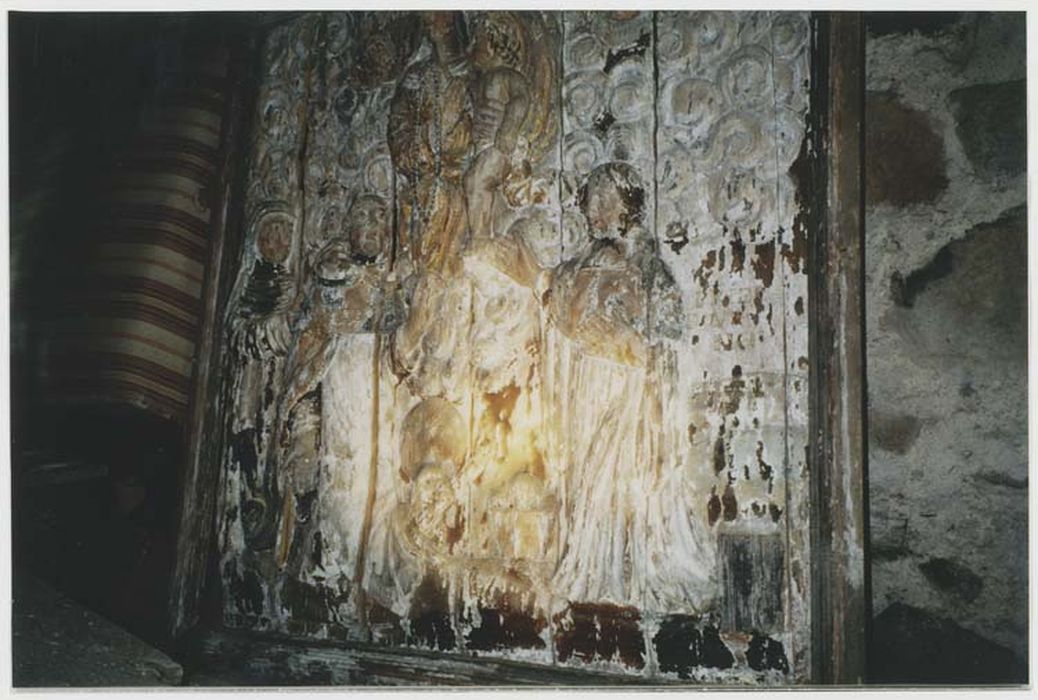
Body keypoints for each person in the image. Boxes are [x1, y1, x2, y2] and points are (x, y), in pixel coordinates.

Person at [547, 162, 714, 614]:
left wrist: (627, 346)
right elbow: (558, 317)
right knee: (588, 480)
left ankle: (628, 570)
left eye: (608, 198)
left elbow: (666, 345)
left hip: (631, 393)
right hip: (587, 390)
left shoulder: (649, 268)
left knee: (618, 476)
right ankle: (595, 569)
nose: (597, 208)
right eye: (592, 198)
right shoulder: (576, 267)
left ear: (630, 205)